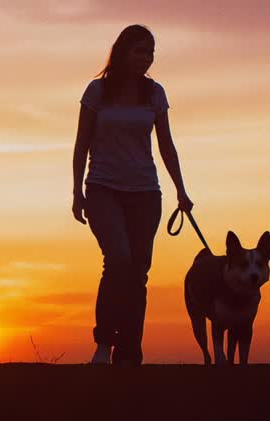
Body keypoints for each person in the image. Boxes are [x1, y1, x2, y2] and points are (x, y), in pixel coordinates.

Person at [71, 24, 192, 366]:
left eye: (150, 52)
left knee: (138, 272)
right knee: (119, 261)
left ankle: (129, 352)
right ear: (123, 52)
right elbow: (82, 142)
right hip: (103, 188)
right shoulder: (97, 92)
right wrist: (77, 190)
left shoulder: (154, 93)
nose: (146, 58)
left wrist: (181, 190)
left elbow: (166, 145)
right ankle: (104, 343)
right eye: (140, 50)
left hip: (145, 193)